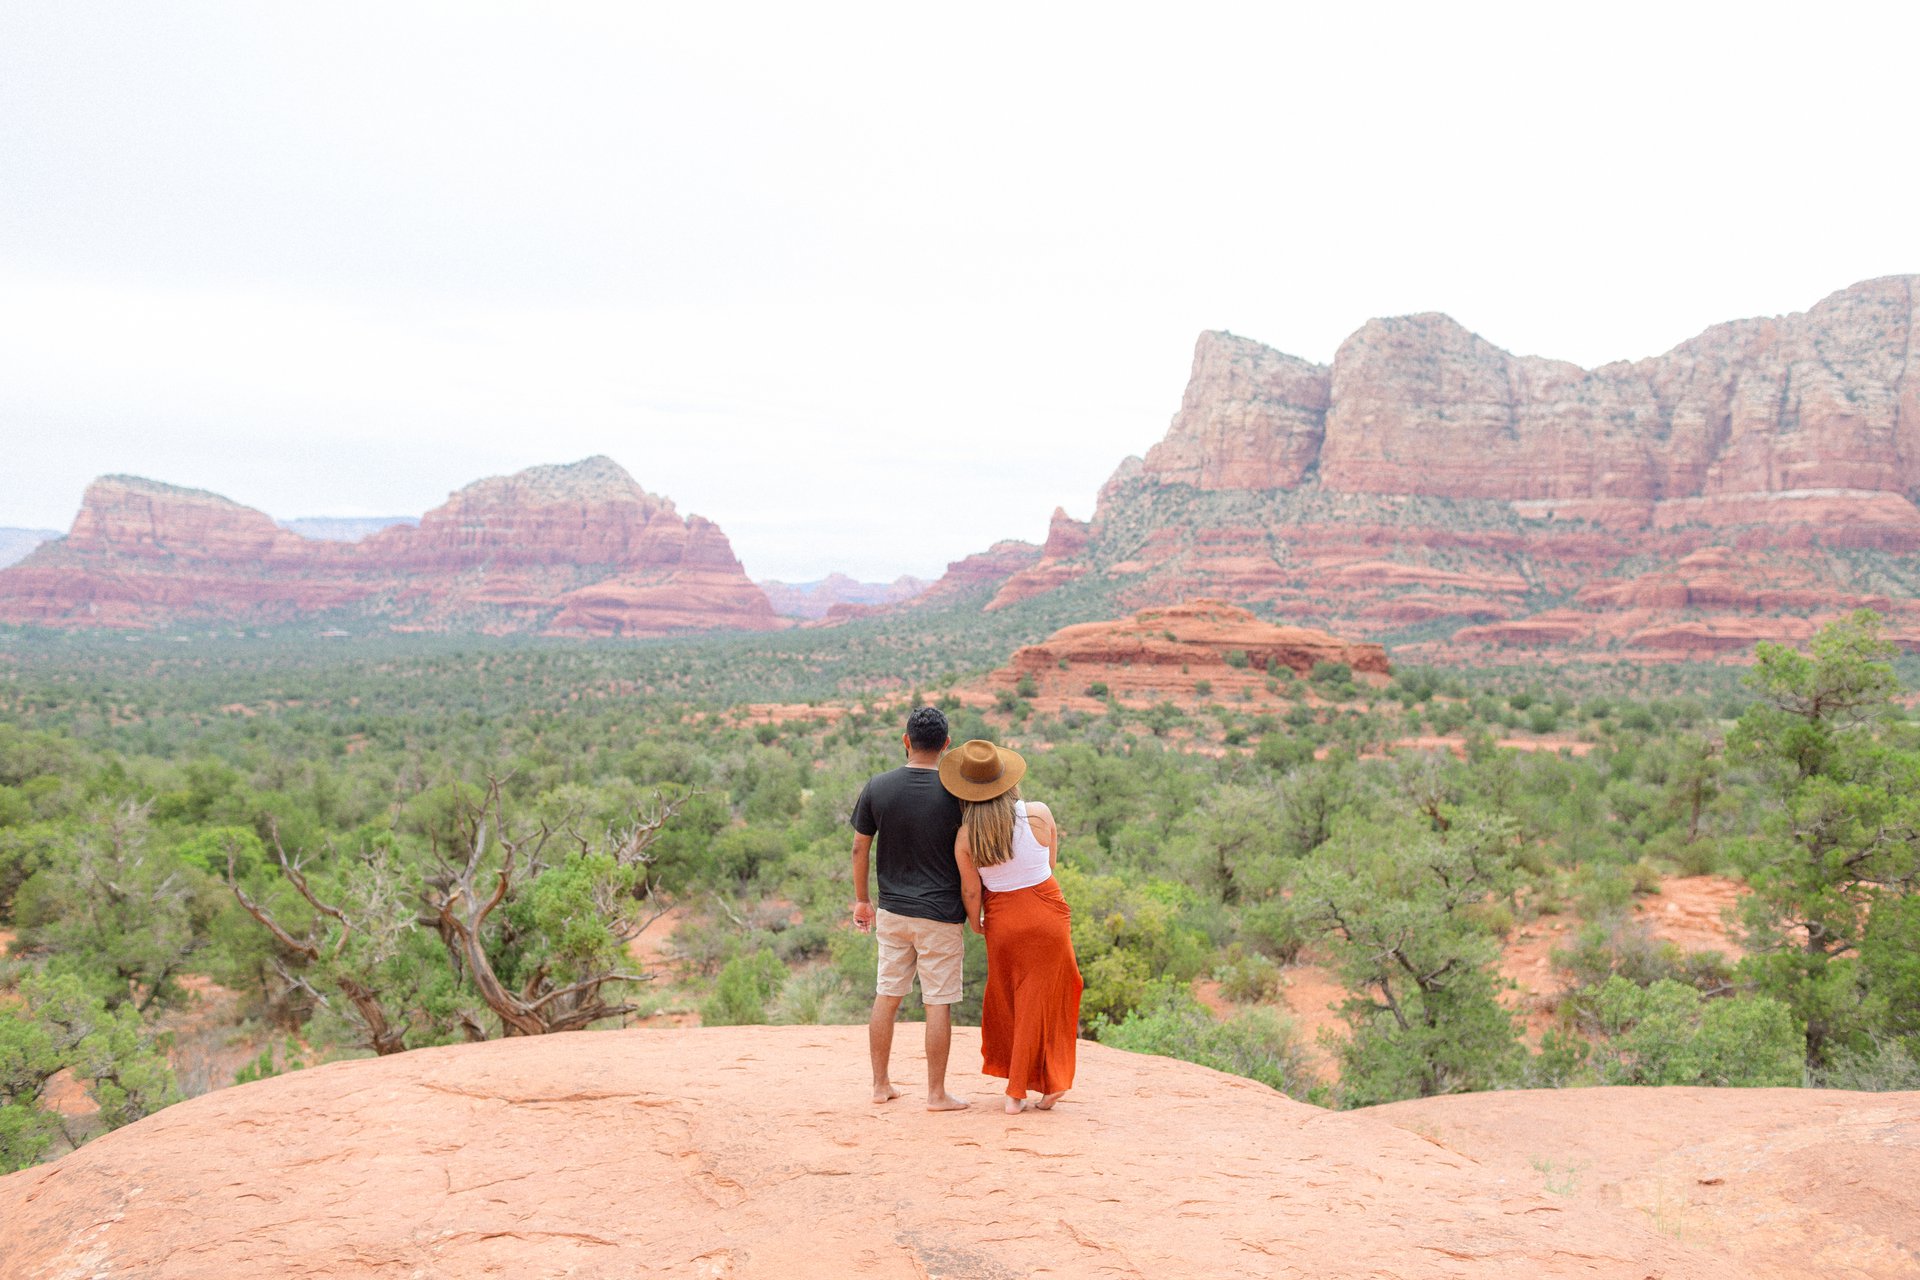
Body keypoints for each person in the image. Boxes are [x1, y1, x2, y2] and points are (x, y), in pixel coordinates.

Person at [942, 738, 1083, 1114]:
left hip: (1003, 921)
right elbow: (1049, 866)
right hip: (1048, 913)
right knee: (1051, 995)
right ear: (1008, 779)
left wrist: (976, 924)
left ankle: (1015, 1091)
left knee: (1009, 998)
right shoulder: (1039, 814)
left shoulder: (967, 836)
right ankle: (1045, 1084)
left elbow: (971, 892)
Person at [850, 705, 969, 1111]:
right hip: (941, 914)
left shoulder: (878, 786)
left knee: (887, 995)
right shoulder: (958, 795)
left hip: (893, 911)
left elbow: (859, 846)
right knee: (938, 1001)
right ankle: (936, 1094)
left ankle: (881, 1086)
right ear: (946, 746)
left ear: (906, 741)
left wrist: (863, 900)